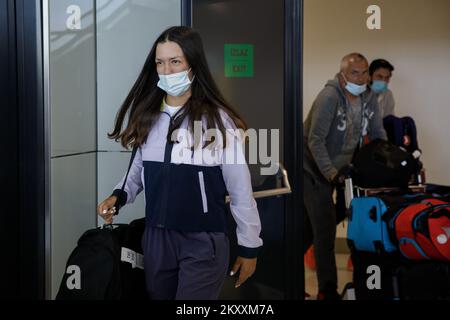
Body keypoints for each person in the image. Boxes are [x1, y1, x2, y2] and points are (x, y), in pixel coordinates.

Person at [97, 26, 263, 300]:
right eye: (160, 63)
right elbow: (138, 170)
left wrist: (249, 246)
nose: (167, 70)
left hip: (203, 240)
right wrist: (119, 195)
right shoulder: (148, 116)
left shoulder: (218, 121)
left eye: (175, 62)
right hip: (156, 239)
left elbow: (240, 190)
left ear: (193, 64)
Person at [303, 53, 387, 300]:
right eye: (354, 73)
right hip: (311, 168)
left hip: (339, 170)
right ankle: (327, 290)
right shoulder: (330, 97)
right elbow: (314, 140)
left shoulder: (369, 98)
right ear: (342, 76)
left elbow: (377, 132)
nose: (360, 78)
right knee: (326, 228)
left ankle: (282, 272)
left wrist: (387, 159)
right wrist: (330, 173)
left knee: (312, 228)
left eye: (364, 73)